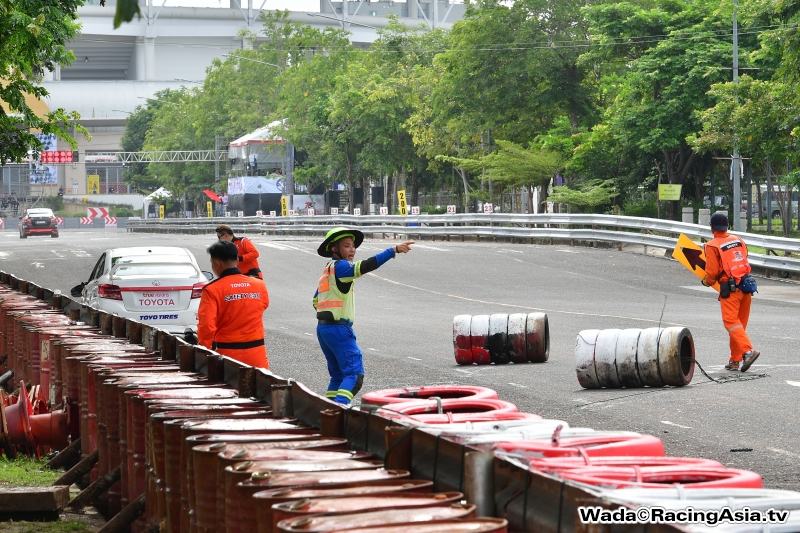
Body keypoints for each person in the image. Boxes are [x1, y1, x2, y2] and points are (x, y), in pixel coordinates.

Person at [313, 227, 414, 404]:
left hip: (323, 329)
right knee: (354, 375)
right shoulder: (342, 267)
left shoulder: (326, 271)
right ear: (334, 248)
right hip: (339, 330)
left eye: (353, 246)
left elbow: (315, 301)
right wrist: (392, 251)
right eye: (346, 246)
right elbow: (366, 266)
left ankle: (326, 412)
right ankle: (338, 412)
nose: (352, 250)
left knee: (337, 377)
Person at [198, 240, 270, 369]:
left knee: (225, 388)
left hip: (227, 355)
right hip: (257, 352)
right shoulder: (258, 284)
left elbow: (207, 326)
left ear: (216, 263)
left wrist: (202, 353)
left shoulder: (212, 290)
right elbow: (263, 305)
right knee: (259, 387)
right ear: (237, 259)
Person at [702, 212, 760, 372]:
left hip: (730, 289)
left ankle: (749, 352)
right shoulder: (738, 240)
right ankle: (735, 360)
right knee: (738, 325)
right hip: (747, 287)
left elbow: (712, 273)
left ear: (711, 227)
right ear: (727, 226)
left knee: (731, 323)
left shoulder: (712, 246)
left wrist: (707, 281)